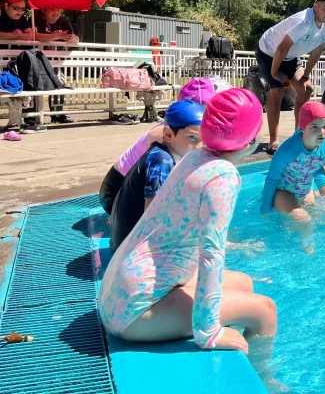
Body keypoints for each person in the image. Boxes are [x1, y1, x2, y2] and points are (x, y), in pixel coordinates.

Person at [98, 89, 277, 365]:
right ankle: (264, 377)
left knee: (245, 284)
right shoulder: (224, 175)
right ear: (250, 141)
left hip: (118, 288)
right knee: (265, 311)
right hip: (131, 312)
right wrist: (208, 332)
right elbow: (212, 254)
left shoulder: (195, 157)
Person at [98, 81, 213, 214]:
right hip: (114, 191)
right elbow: (156, 205)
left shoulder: (180, 134)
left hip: (129, 188)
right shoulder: (162, 140)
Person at [109, 100, 204, 251]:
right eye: (193, 138)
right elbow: (153, 216)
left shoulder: (161, 153)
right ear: (167, 134)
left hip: (122, 245)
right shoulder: (161, 162)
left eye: (204, 138)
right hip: (130, 255)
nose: (201, 146)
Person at [257, 0, 325, 155]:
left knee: (306, 89)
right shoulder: (303, 22)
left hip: (291, 56)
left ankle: (298, 134)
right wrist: (275, 74)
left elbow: (317, 52)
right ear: (315, 6)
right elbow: (281, 48)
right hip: (270, 53)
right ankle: (273, 140)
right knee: (277, 92)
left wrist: (306, 76)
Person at [260, 102, 325, 221]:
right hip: (282, 191)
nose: (322, 132)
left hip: (304, 191)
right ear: (302, 128)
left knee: (316, 220)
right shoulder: (287, 150)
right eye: (315, 126)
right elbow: (272, 180)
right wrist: (265, 210)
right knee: (303, 221)